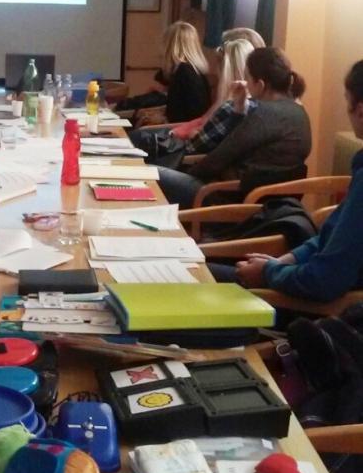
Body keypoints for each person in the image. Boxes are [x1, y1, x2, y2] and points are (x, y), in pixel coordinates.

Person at [230, 60, 363, 302]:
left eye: (346, 100)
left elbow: (325, 280)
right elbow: (331, 238)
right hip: (301, 278)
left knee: (198, 279)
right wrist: (284, 261)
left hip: (318, 307)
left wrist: (269, 273)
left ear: (361, 110)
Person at [158, 47, 311, 209]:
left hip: (226, 198)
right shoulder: (299, 112)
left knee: (151, 175)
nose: (246, 83)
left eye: (248, 78)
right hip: (266, 203)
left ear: (260, 85)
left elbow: (218, 158)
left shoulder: (262, 113)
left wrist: (185, 174)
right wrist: (238, 111)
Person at [132, 37, 257, 163]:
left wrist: (186, 133)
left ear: (226, 69)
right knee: (137, 138)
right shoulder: (240, 105)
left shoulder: (230, 107)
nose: (216, 72)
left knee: (136, 139)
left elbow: (198, 143)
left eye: (219, 66)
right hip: (181, 149)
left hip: (183, 159)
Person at [119, 21, 211, 123]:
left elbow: (178, 117)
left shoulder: (183, 72)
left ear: (169, 45)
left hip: (178, 129)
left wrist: (160, 119)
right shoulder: (195, 70)